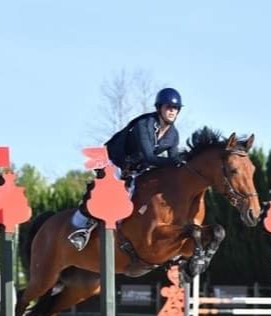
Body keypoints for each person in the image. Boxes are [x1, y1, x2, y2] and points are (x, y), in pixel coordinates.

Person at [68, 87, 185, 252]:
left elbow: (173, 165)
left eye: (175, 108)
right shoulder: (144, 125)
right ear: (160, 108)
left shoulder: (173, 135)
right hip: (114, 159)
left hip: (136, 167)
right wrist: (175, 160)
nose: (172, 111)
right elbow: (149, 157)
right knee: (111, 191)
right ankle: (83, 228)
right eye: (168, 107)